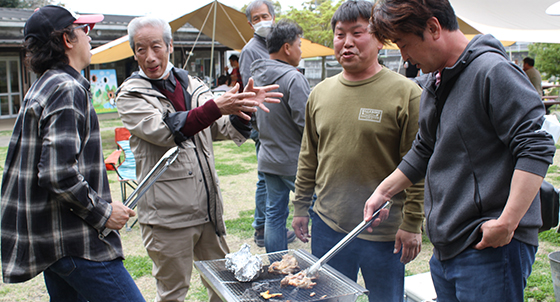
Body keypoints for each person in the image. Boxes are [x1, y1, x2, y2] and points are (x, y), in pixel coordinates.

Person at [366, 0, 556, 301]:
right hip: (448, 243)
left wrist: (507, 222)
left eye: (404, 45)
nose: (405, 57)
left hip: (489, 243)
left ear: (433, 27)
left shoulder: (493, 72)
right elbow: (424, 147)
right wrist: (383, 191)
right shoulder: (435, 82)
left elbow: (535, 146)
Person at [115, 16, 281, 302]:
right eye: (141, 49)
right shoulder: (130, 94)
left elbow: (221, 128)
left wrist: (244, 110)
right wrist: (216, 107)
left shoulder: (192, 83)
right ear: (134, 53)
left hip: (208, 211)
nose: (150, 56)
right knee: (172, 293)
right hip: (166, 217)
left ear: (169, 45)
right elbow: (164, 130)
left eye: (156, 46)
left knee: (225, 288)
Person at [0, 5, 144, 302]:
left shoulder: (44, 85)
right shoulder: (66, 88)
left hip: (53, 240)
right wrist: (104, 212)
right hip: (75, 242)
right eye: (85, 30)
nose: (91, 38)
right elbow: (58, 173)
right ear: (67, 39)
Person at [291, 1, 424, 301]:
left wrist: (412, 222)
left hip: (384, 231)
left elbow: (418, 164)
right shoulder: (319, 93)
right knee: (327, 298)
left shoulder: (407, 93)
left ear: (379, 39)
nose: (347, 42)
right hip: (328, 223)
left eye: (357, 33)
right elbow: (309, 156)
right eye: (340, 34)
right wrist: (300, 206)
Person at [251, 20, 310, 253]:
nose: (300, 50)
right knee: (320, 209)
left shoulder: (257, 77)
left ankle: (276, 266)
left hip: (268, 157)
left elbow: (254, 120)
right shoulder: (293, 78)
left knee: (274, 214)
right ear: (287, 47)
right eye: (299, 44)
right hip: (294, 160)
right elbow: (305, 124)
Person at [240, 0, 295, 247]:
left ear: (273, 16)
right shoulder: (250, 50)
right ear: (250, 22)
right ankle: (261, 226)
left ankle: (266, 227)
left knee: (268, 177)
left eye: (265, 15)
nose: (262, 21)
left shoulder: (278, 43)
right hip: (265, 122)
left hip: (280, 120)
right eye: (257, 18)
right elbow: (248, 89)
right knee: (267, 177)